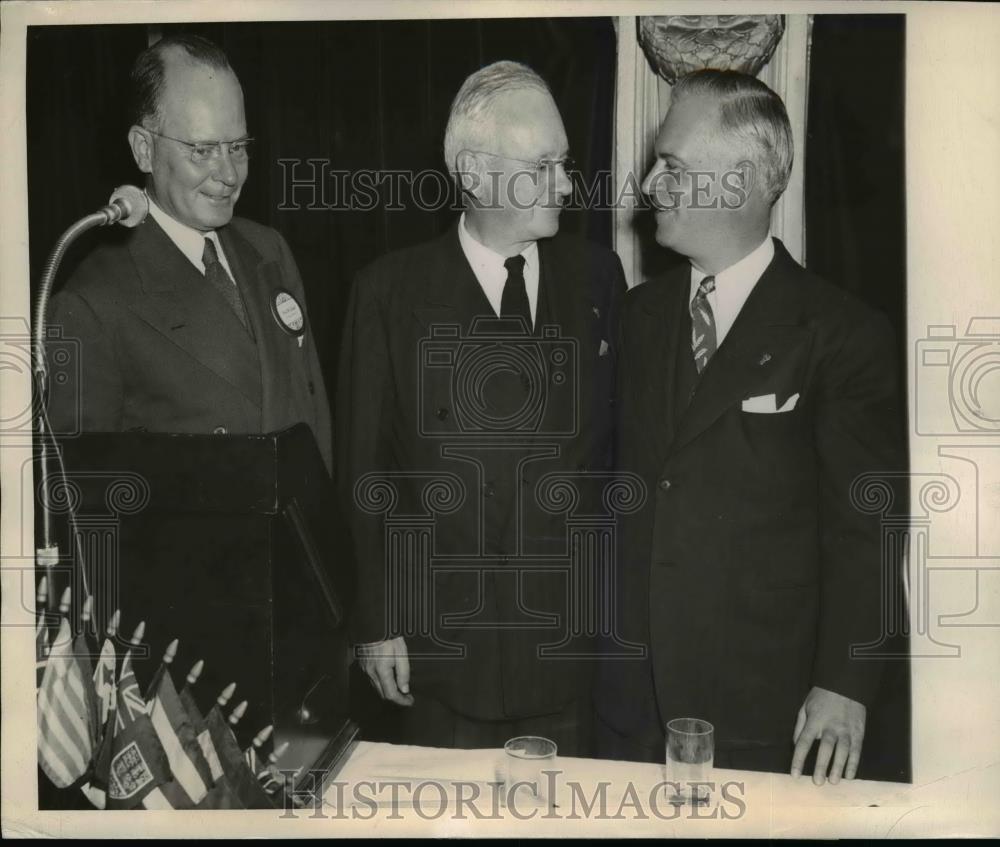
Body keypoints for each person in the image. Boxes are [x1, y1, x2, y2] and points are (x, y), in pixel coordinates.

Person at [596, 69, 904, 783]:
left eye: (670, 166)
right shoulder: (637, 318)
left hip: (763, 709)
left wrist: (847, 683)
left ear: (736, 183)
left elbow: (869, 527)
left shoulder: (842, 334)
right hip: (629, 704)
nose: (648, 187)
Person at [336, 61, 626, 754]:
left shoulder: (597, 277)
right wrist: (377, 623)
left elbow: (616, 458)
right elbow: (362, 471)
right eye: (543, 165)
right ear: (472, 172)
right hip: (442, 662)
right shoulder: (388, 294)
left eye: (566, 162)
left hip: (568, 656)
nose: (566, 184)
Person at [47, 34, 331, 473]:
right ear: (144, 149)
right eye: (203, 150)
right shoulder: (92, 303)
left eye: (237, 147)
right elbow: (85, 500)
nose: (229, 174)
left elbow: (313, 426)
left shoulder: (268, 249)